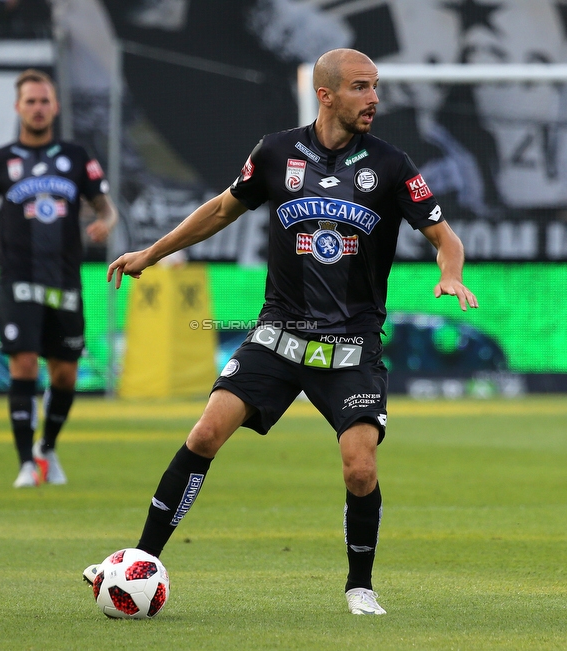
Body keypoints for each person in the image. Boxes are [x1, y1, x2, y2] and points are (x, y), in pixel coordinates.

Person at [104, 48, 477, 615]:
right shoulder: (277, 152)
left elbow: (444, 236)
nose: (374, 98)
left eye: (375, 87)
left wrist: (449, 274)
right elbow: (222, 210)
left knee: (360, 466)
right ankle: (141, 563)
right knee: (205, 435)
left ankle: (360, 587)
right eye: (360, 87)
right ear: (325, 95)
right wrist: (152, 254)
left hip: (352, 347)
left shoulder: (393, 165)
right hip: (278, 336)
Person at [0, 68, 117, 488]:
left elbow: (106, 205)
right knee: (25, 364)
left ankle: (46, 447)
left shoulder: (75, 156)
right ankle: (24, 465)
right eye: (29, 101)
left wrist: (105, 222)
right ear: (18, 107)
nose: (37, 107)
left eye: (43, 100)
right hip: (17, 279)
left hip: (64, 280)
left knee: (65, 374)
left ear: (56, 106)